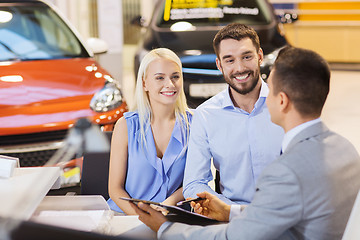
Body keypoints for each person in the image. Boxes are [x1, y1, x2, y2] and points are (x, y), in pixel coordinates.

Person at [132, 46, 360, 239]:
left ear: (282, 101)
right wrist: (230, 211)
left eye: (270, 90)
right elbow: (281, 211)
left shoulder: (286, 172)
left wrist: (165, 228)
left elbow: (233, 237)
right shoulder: (346, 149)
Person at [183, 23, 284, 205]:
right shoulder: (206, 115)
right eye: (229, 60)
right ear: (219, 65)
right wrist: (230, 210)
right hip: (232, 220)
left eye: (246, 57)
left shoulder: (285, 105)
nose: (239, 68)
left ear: (259, 56)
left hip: (284, 215)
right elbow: (194, 183)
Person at [107, 48, 192, 214]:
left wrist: (167, 205)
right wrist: (143, 218)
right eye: (160, 77)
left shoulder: (194, 125)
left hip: (171, 216)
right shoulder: (125, 126)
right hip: (126, 217)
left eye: (175, 76)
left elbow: (195, 181)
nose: (170, 84)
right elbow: (115, 189)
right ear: (144, 83)